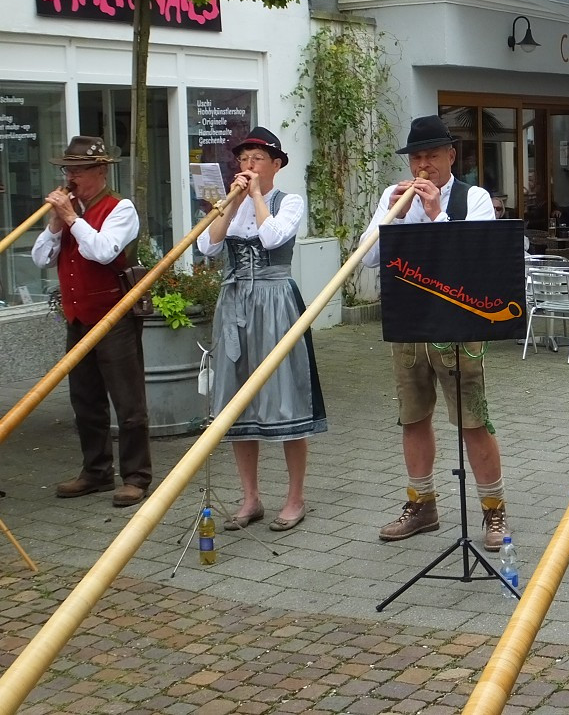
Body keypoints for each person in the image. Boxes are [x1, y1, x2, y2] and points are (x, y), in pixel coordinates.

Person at [360, 115, 511, 552]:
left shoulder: (474, 198)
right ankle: (422, 503)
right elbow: (368, 261)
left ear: (450, 155)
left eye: (431, 155)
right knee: (412, 415)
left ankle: (492, 509)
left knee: (473, 418)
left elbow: (476, 261)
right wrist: (395, 216)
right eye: (416, 157)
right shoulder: (393, 199)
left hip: (459, 325)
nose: (422, 165)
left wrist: (435, 214)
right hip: (409, 321)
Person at [196, 127, 327, 532]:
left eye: (256, 159)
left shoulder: (289, 202)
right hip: (235, 302)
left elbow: (272, 238)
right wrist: (230, 206)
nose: (247, 166)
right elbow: (207, 246)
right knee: (237, 399)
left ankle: (294, 497)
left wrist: (254, 197)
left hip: (274, 301)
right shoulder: (229, 205)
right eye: (243, 159)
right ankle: (250, 497)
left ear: (276, 164)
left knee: (285, 393)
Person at [31, 136, 151, 507]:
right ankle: (96, 471)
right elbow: (40, 259)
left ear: (100, 171)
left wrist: (71, 217)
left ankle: (136, 476)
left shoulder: (121, 208)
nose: (71, 177)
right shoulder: (71, 212)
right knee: (85, 399)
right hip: (79, 316)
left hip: (113, 316)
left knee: (127, 401)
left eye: (78, 170)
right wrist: (55, 224)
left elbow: (102, 251)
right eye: (67, 170)